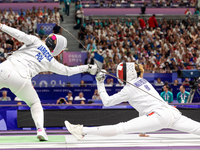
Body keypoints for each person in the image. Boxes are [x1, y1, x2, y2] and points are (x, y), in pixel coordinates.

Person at [0, 24, 97, 141]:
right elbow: (68, 71)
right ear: (57, 50)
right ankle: (40, 129)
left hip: (5, 69)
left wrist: (2, 26)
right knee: (35, 103)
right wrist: (87, 67)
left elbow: (20, 35)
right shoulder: (51, 61)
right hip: (21, 80)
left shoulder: (36, 41)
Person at [65, 62, 200, 141]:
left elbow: (106, 102)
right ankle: (81, 131)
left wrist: (100, 82)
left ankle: (82, 130)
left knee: (121, 128)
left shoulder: (129, 89)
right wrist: (143, 129)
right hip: (172, 113)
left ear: (124, 75)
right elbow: (144, 107)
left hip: (159, 115)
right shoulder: (143, 81)